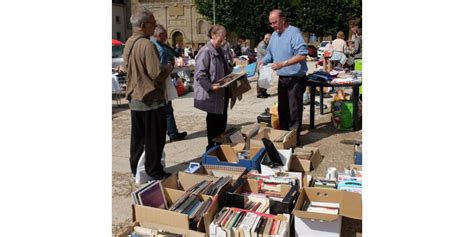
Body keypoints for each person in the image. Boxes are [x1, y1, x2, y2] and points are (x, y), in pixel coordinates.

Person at [122, 6, 173, 180]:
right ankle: (153, 171)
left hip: (135, 98)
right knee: (154, 138)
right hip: (150, 99)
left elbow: (127, 67)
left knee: (138, 138)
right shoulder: (146, 44)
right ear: (143, 25)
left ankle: (136, 169)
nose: (155, 25)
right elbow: (156, 73)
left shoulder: (129, 42)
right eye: (153, 22)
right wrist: (168, 68)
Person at [260, 9, 308, 146]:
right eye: (271, 23)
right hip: (282, 78)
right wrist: (263, 61)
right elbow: (270, 54)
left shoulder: (294, 33)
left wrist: (284, 63)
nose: (273, 25)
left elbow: (302, 55)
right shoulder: (274, 35)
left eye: (275, 22)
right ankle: (284, 136)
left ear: (283, 20)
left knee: (294, 110)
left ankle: (293, 139)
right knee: (282, 109)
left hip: (295, 78)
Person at [193, 25, 233, 151]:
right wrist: (210, 86)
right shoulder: (205, 51)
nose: (224, 39)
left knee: (222, 123)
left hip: (222, 93)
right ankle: (211, 149)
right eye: (222, 36)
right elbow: (199, 74)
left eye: (225, 36)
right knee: (213, 124)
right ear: (213, 35)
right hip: (212, 95)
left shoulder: (221, 50)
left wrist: (234, 74)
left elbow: (226, 69)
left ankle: (220, 147)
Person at [151, 24, 188, 142]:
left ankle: (169, 133)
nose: (167, 37)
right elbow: (161, 71)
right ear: (160, 35)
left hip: (153, 85)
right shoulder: (160, 48)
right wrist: (171, 66)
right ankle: (171, 134)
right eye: (165, 35)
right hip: (160, 84)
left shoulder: (151, 44)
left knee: (163, 111)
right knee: (166, 110)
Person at [256, 33, 272, 98]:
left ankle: (264, 92)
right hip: (261, 65)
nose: (270, 41)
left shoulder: (266, 44)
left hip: (265, 65)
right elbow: (267, 54)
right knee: (261, 79)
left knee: (266, 79)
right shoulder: (261, 45)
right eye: (269, 40)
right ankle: (260, 93)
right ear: (266, 39)